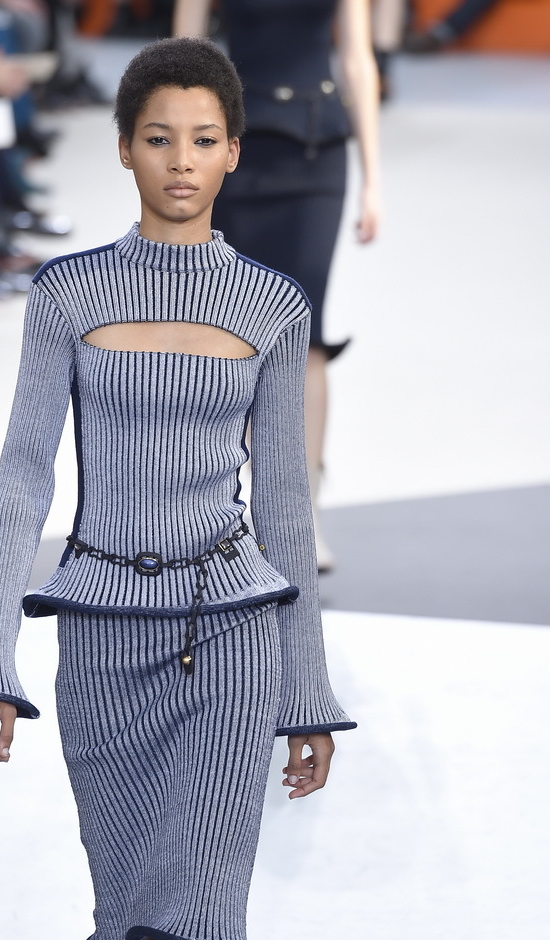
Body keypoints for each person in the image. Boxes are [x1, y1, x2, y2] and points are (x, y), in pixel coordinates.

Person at [0, 37, 356, 940]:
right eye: (159, 138)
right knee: (120, 925)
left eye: (203, 139)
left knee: (212, 917)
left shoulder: (271, 305)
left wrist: (305, 687)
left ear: (234, 153)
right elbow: (22, 479)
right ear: (123, 147)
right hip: (100, 634)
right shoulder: (67, 294)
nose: (181, 161)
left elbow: (283, 508)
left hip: (230, 629)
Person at [174, 0, 380, 571]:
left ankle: (302, 513)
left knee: (306, 331)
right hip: (234, 152)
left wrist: (373, 181)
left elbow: (357, 59)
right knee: (230, 332)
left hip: (318, 151)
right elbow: (181, 60)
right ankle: (221, 509)